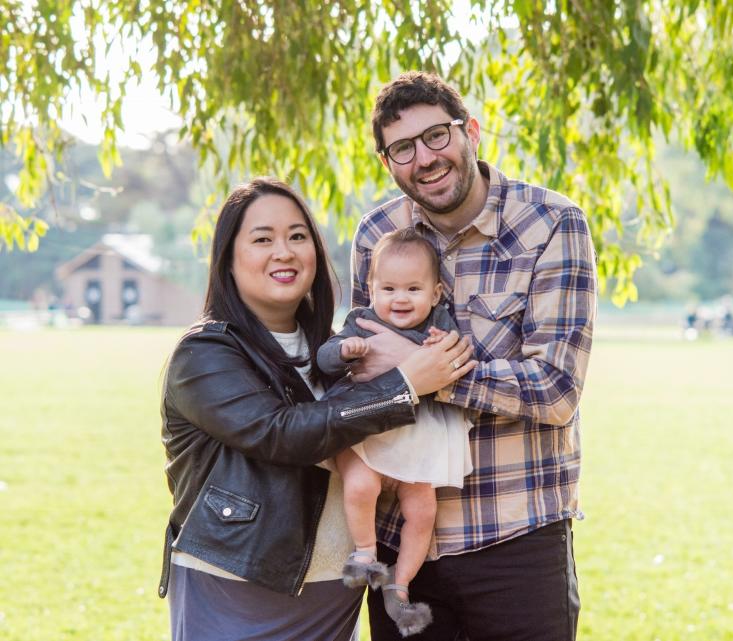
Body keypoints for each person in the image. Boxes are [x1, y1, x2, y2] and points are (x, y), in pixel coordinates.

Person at [158, 177, 476, 641]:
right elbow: (281, 434)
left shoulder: (336, 345)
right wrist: (406, 383)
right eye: (263, 239)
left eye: (298, 236)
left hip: (333, 594)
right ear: (228, 258)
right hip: (239, 586)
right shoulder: (205, 354)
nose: (284, 251)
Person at [349, 72, 597, 641]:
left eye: (436, 136)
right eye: (402, 148)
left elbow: (557, 389)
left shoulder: (551, 224)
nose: (425, 158)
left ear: (471, 132)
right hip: (401, 542)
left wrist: (431, 377)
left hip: (516, 538)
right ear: (388, 163)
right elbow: (365, 367)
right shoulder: (376, 235)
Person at [316, 228, 474, 637]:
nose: (399, 299)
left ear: (436, 293)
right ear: (370, 289)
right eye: (388, 288)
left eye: (413, 289)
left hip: (418, 433)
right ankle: (366, 553)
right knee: (360, 486)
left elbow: (460, 356)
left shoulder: (440, 323)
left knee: (422, 511)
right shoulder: (361, 322)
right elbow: (325, 358)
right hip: (369, 428)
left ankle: (401, 583)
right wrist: (343, 351)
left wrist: (447, 343)